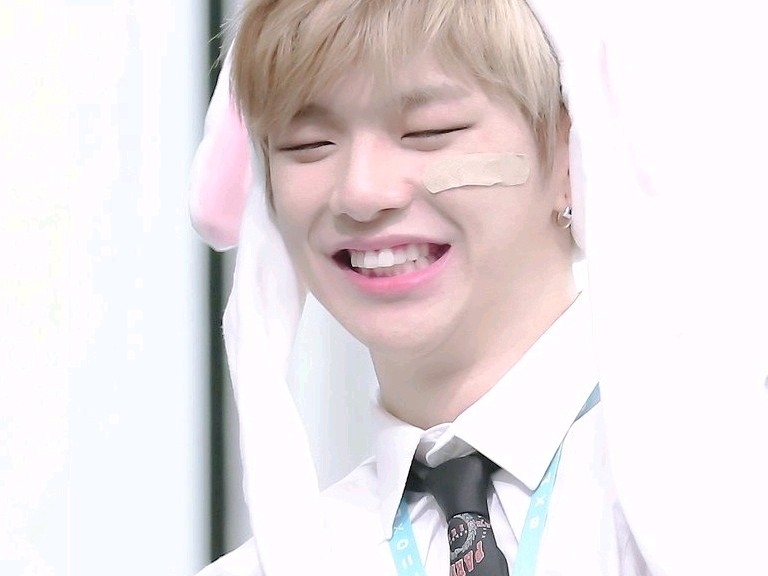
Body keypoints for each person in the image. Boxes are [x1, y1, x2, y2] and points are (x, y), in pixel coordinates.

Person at [190, 1, 768, 575]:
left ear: (572, 155)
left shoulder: (738, 481)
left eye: (430, 131)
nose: (361, 192)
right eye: (307, 144)